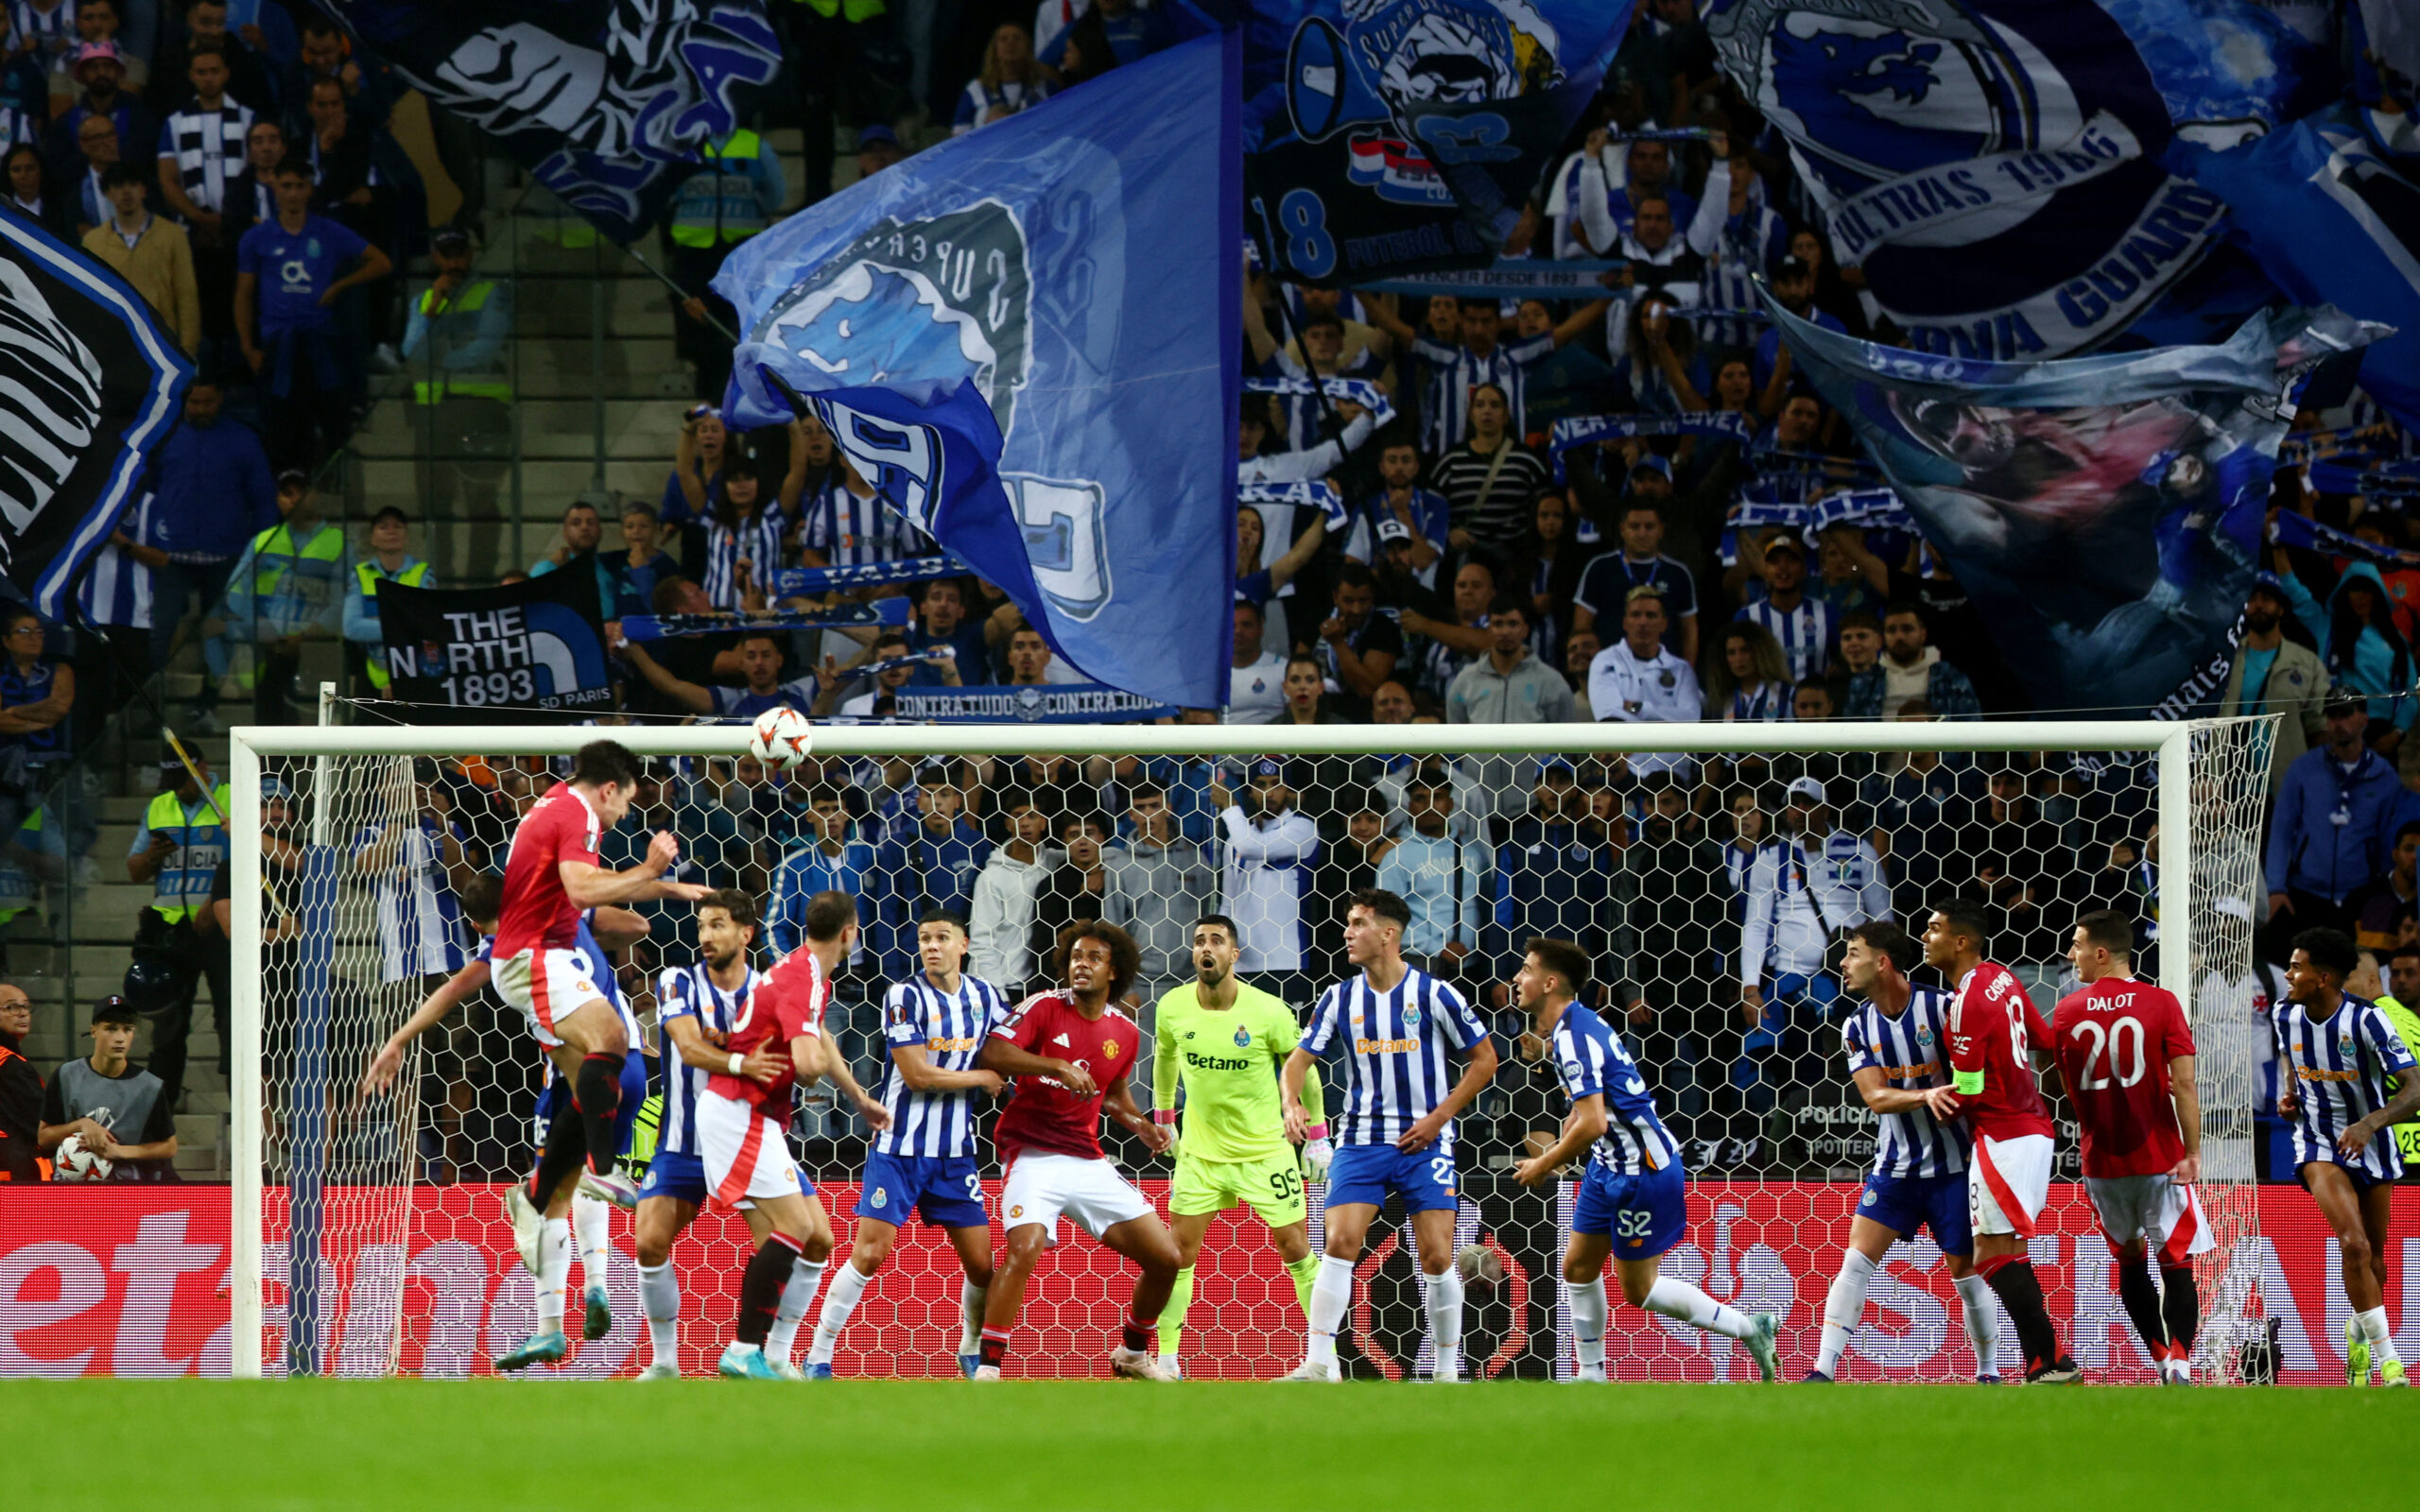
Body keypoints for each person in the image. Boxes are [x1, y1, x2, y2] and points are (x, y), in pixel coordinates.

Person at [1507, 937, 1780, 1382]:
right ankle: (1592, 1375)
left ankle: (1750, 1328)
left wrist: (1544, 1162)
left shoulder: (1575, 1037)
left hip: (1642, 1170)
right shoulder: (1571, 1028)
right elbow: (1585, 1108)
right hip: (1606, 1167)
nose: (1517, 978)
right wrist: (1561, 1148)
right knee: (1577, 1266)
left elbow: (1594, 1122)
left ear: (1550, 982)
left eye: (1526, 969)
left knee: (1638, 1289)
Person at [492, 742, 710, 1271]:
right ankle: (603, 1167)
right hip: (536, 957)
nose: (623, 815)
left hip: (539, 955)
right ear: (609, 788)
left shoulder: (556, 803)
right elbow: (582, 889)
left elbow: (574, 891)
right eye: (626, 803)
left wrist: (663, 888)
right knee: (614, 1037)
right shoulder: (578, 812)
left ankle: (533, 1196)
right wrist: (649, 867)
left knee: (580, 1095)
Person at [1280, 888, 1498, 1382]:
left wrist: (1438, 1119)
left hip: (1427, 1140)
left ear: (1388, 933)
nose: (1347, 932)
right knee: (1339, 1242)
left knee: (1438, 1254)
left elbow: (1485, 1060)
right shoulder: (1340, 997)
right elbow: (1297, 1062)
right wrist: (1290, 1102)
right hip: (1361, 1140)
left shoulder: (1436, 994)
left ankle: (1446, 1371)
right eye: (1348, 922)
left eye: (1358, 923)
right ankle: (1319, 1362)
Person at [973, 919, 1180, 1381]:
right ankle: (987, 1371)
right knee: (1024, 1248)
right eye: (1075, 957)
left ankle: (1131, 1352)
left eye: (1093, 958)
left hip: (1087, 1158)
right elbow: (993, 1054)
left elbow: (1111, 1093)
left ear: (1114, 971)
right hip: (1032, 1153)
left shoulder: (1124, 1032)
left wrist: (1139, 1124)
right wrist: (1054, 1064)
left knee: (1166, 1258)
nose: (1081, 965)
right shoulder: (1044, 1006)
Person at [806, 909, 1008, 1378]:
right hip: (899, 1148)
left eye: (942, 937)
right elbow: (916, 1075)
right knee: (870, 1254)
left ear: (965, 944)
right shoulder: (904, 995)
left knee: (982, 1265)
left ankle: (971, 1347)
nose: (932, 946)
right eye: (924, 938)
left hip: (956, 1154)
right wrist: (983, 1077)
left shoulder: (985, 996)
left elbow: (1009, 1043)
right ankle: (818, 1354)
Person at [1805, 922, 1996, 1383]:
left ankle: (1989, 1373)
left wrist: (1962, 1100)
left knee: (1966, 1275)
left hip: (1956, 1168)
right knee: (1855, 1260)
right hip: (1896, 1169)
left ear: (1883, 961)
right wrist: (1925, 1097)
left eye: (1853, 954)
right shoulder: (1857, 1026)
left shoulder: (1945, 1009)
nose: (1844, 964)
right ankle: (1822, 1371)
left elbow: (1980, 1074)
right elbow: (1875, 1097)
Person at [1146, 915, 1326, 1379]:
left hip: (1265, 1152)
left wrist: (1319, 1135)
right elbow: (1165, 1058)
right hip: (1201, 1157)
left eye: (1217, 941)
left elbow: (1303, 1068)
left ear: (1234, 954)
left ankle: (1324, 1361)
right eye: (1199, 940)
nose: (1206, 948)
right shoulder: (1173, 1006)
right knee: (1177, 1255)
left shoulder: (1268, 1010)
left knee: (1296, 1249)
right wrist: (1164, 1117)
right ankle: (1167, 1360)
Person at [701, 888, 864, 1380]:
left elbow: (821, 1039)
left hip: (758, 1116)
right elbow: (810, 1062)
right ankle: (742, 1349)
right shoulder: (804, 978)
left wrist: (859, 1097)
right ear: (849, 933)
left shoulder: (803, 969)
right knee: (792, 1229)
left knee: (818, 1239)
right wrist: (807, 1056)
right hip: (739, 1111)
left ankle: (775, 1356)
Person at [1921, 898, 2080, 1383]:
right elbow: (2043, 1039)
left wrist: (1936, 1099)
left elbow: (1967, 1088)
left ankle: (2055, 1360)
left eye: (1934, 929)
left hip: (2003, 1135)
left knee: (1990, 1254)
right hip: (2032, 1129)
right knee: (2005, 1250)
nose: (1925, 938)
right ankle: (2039, 1364)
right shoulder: (2003, 977)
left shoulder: (1967, 1003)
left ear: (1961, 940)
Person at [2048, 909, 2208, 1385]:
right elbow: (2184, 1084)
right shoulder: (2161, 1004)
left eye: (2076, 945)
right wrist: (2192, 1152)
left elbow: (2065, 1089)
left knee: (2130, 1258)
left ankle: (2159, 1357)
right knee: (2176, 1262)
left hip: (2102, 1161)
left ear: (2101, 953)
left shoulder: (2066, 1012)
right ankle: (2180, 1359)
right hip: (2160, 1157)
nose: (2071, 954)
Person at [2271, 925, 2420, 1386]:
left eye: (2297, 967)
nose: (2288, 974)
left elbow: (2415, 1090)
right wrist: (2290, 1094)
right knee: (2352, 1244)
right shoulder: (2285, 1014)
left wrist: (2369, 1124)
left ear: (2324, 977)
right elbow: (2290, 1061)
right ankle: (2390, 1362)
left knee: (2375, 1260)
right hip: (2318, 1142)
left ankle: (2357, 1337)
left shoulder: (2368, 1020)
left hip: (2372, 1142)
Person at [234, 157, 389, 467]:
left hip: (321, 342)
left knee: (334, 425)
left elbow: (382, 262)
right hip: (277, 344)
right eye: (286, 186)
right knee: (280, 431)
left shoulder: (329, 231)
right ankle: (287, 500)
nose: (292, 193)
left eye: (300, 186)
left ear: (310, 190)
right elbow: (243, 294)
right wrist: (247, 347)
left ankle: (333, 493)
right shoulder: (256, 237)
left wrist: (339, 286)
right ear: (274, 188)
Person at [124, 755, 230, 1113]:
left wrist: (214, 904)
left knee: (229, 1018)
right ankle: (162, 1110)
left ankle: (243, 1106)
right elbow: (135, 871)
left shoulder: (230, 797)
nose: (176, 789)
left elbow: (246, 860)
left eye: (181, 779)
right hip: (168, 931)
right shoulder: (158, 806)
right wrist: (152, 855)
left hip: (219, 927)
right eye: (170, 782)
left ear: (201, 768)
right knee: (167, 1025)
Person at [2265, 696, 2405, 949]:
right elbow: (2281, 830)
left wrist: (2382, 893)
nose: (2338, 723)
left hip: (2360, 895)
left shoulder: (2385, 777)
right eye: (2332, 716)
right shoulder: (2303, 769)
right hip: (2305, 894)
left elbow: (2387, 840)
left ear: (2364, 718)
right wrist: (2276, 888)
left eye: (2345, 714)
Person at [400, 224, 513, 517]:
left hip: (480, 404)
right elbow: (411, 350)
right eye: (446, 256)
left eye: (459, 255)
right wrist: (434, 304)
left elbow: (485, 348)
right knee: (433, 500)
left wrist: (440, 361)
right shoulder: (423, 300)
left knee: (482, 498)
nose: (453, 263)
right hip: (432, 408)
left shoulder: (493, 294)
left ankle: (486, 563)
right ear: (435, 257)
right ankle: (441, 563)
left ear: (470, 255)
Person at [218, 471, 346, 724]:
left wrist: (307, 635)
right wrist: (264, 629)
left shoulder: (338, 542)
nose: (294, 499)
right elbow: (235, 593)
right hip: (270, 651)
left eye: (301, 492)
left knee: (319, 726)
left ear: (316, 496)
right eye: (287, 493)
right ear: (278, 499)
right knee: (270, 720)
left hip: (319, 650)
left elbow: (343, 602)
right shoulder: (262, 542)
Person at [1216, 760, 1320, 1005]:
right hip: (1241, 964)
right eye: (1260, 785)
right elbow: (1227, 903)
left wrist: (1230, 808)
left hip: (1286, 961)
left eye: (1276, 785)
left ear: (1289, 790)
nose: (1269, 793)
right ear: (1251, 791)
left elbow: (1251, 847)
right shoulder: (1234, 841)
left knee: (1287, 1043)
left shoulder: (1303, 830)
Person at [1101, 782, 1216, 1005]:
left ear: (1168, 808)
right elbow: (1113, 928)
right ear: (1131, 815)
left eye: (1154, 806)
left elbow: (1210, 916)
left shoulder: (1195, 859)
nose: (1148, 815)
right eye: (1140, 808)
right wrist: (1125, 989)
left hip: (1192, 980)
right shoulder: (1120, 866)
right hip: (1143, 984)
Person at [40, 994, 177, 1178]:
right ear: (93, 1031)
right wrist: (81, 1124)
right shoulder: (66, 1075)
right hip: (70, 1186)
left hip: (126, 1188)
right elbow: (44, 1138)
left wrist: (120, 1151)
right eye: (111, 1029)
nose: (120, 1038)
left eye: (127, 1030)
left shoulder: (149, 1086)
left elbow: (169, 1146)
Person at [1374, 773, 1489, 979]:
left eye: (1438, 797)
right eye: (1420, 798)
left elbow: (1487, 907)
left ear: (1450, 803)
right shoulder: (1397, 857)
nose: (1429, 805)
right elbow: (1385, 919)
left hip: (1474, 968)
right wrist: (1438, 949)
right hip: (1424, 965)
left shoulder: (1473, 852)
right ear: (1409, 806)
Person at [2224, 573, 2329, 793]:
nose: (2258, 605)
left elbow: (2319, 726)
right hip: (2230, 790)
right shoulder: (2226, 658)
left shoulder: (2306, 662)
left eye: (2267, 599)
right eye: (2252, 599)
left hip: (2287, 787)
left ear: (2281, 609)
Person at [1429, 383, 1558, 553]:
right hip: (1466, 557)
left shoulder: (1527, 461)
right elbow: (1430, 510)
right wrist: (1450, 534)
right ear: (1471, 414)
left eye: (1495, 405)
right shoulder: (1451, 461)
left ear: (1505, 416)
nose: (1487, 411)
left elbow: (1547, 507)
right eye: (1480, 405)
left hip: (1515, 557)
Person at [82, 161, 197, 352]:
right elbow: (88, 302)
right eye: (119, 186)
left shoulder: (173, 235)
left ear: (144, 190)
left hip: (163, 346)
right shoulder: (93, 242)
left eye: (133, 184)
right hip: (113, 349)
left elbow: (187, 297)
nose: (126, 192)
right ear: (108, 194)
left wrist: (187, 351)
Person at [1588, 588, 1702, 781]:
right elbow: (1610, 720)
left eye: (1650, 615)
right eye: (1635, 615)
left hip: (1674, 777)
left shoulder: (1681, 669)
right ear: (1625, 622)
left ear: (1664, 624)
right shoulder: (1606, 661)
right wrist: (1669, 722)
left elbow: (1691, 719)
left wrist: (1640, 709)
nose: (1642, 622)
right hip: (1625, 776)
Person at [1573, 499, 1697, 654]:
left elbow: (1689, 631)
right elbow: (1582, 628)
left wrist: (1686, 672)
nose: (1642, 533)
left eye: (1649, 527)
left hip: (1663, 671)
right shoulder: (1600, 568)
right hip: (1613, 669)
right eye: (1635, 527)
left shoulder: (1678, 573)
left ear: (1661, 530)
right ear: (1622, 530)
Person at [621, 631, 816, 722]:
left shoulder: (802, 690)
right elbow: (673, 687)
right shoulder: (729, 699)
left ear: (779, 660)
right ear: (741, 663)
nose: (758, 662)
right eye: (751, 656)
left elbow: (846, 673)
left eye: (765, 655)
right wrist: (634, 649)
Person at [339, 507, 431, 698]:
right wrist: (399, 628)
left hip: (413, 674)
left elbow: (425, 626)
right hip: (369, 674)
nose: (391, 531)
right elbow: (351, 627)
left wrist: (377, 628)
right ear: (372, 537)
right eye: (383, 526)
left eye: (398, 526)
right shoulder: (359, 575)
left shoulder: (423, 573)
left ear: (406, 535)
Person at [968, 792, 1051, 994]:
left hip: (1038, 986)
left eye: (1032, 816)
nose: (1024, 823)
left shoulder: (1055, 864)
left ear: (1043, 823)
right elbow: (981, 941)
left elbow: (1102, 856)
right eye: (1017, 816)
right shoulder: (991, 878)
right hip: (1002, 986)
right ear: (1007, 824)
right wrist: (998, 995)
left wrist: (1096, 871)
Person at [1445, 598, 1574, 725]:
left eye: (1513, 624)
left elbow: (1566, 738)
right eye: (1498, 624)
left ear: (1525, 630)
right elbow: (1455, 737)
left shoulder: (1551, 682)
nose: (1505, 632)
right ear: (1489, 631)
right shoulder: (1465, 681)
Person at [1842, 603, 1980, 720]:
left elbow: (1974, 730)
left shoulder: (1950, 677)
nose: (1899, 636)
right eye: (1892, 630)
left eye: (1907, 629)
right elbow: (1849, 737)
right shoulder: (1865, 682)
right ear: (1884, 636)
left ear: (1923, 634)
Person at [1734, 534, 1834, 682]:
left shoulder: (1826, 613)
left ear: (1803, 569)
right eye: (1774, 562)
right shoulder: (1747, 617)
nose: (1783, 567)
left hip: (1812, 701)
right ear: (1765, 571)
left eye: (1791, 560)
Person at [954, 22, 1050, 133]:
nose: (1010, 43)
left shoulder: (1044, 87)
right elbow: (959, 136)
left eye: (1017, 39)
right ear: (994, 49)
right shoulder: (975, 89)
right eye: (1003, 39)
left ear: (1028, 48)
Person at [0, 982, 41, 1181]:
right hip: (11, 1173)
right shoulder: (10, 1065)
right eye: (12, 1007)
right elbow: (39, 1124)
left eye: (25, 1006)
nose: (23, 1013)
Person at [1226, 599, 1286, 725]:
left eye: (1246, 625)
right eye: (1232, 626)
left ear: (1261, 628)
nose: (1238, 632)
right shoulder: (1212, 674)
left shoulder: (1284, 668)